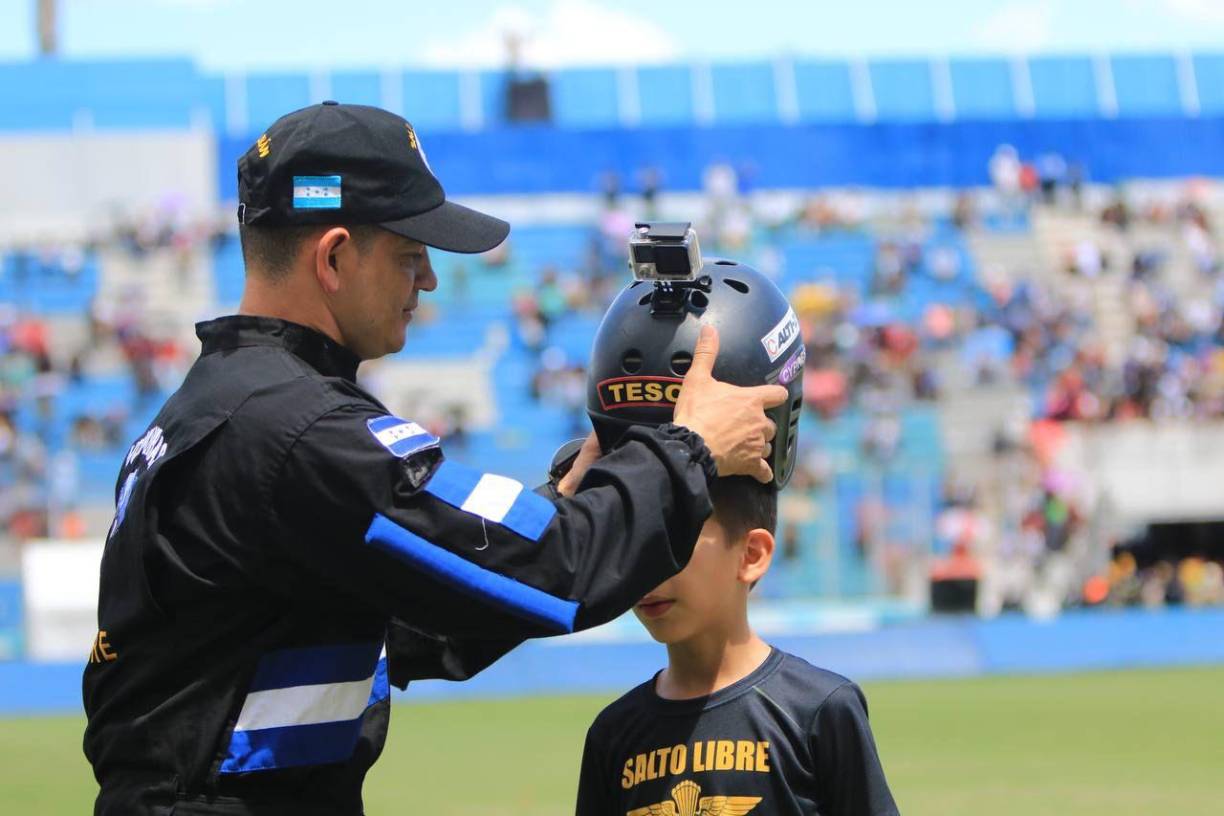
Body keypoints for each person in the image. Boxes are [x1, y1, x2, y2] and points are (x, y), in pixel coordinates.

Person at [82, 102, 786, 816]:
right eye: (410, 255)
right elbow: (555, 571)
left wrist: (566, 497)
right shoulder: (300, 432)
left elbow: (412, 624)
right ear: (332, 257)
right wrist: (690, 447)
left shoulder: (222, 404)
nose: (429, 281)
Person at [573, 260, 897, 815]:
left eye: (677, 537)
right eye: (643, 537)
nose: (649, 565)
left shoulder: (820, 710)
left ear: (752, 555)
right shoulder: (612, 736)